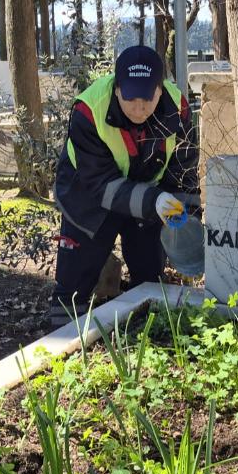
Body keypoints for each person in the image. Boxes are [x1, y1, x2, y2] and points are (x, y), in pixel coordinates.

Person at [49, 45, 199, 327]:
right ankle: (63, 333)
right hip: (87, 194)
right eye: (130, 98)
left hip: (148, 190)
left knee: (149, 270)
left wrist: (187, 216)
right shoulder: (89, 111)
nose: (139, 108)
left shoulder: (177, 110)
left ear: (160, 90)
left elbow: (184, 169)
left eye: (148, 98)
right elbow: (101, 183)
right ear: (117, 89)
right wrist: (154, 201)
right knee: (75, 279)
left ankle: (144, 330)